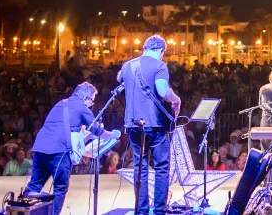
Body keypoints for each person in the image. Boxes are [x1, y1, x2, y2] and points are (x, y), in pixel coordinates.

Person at [26, 82, 119, 215]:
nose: (92, 105)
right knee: (60, 188)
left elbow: (61, 125)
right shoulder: (82, 107)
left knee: (34, 188)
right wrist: (112, 134)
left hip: (40, 147)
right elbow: (96, 130)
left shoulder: (60, 103)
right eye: (92, 101)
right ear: (85, 97)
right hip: (59, 151)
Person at [118, 35, 181, 215]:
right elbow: (162, 91)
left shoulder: (128, 65)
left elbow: (119, 78)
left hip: (133, 124)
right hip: (155, 124)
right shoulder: (160, 66)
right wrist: (176, 99)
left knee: (140, 167)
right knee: (161, 167)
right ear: (161, 51)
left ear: (145, 48)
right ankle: (159, 210)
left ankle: (142, 211)